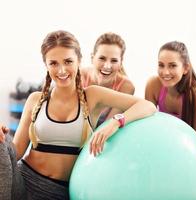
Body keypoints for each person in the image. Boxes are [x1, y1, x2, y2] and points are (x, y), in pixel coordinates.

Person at [0, 30, 156, 200]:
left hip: (58, 192)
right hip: (22, 180)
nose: (61, 70)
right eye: (53, 63)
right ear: (46, 65)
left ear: (79, 61)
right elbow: (16, 152)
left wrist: (115, 122)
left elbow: (147, 106)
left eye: (68, 61)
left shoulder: (93, 96)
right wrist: (4, 138)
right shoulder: (35, 100)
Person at [145, 41, 196, 137]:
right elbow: (148, 124)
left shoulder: (195, 95)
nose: (166, 72)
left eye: (172, 66)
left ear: (186, 68)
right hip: (169, 136)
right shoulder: (153, 85)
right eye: (161, 65)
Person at [81, 32, 134, 129]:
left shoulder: (126, 86)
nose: (107, 66)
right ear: (92, 58)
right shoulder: (80, 76)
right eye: (102, 58)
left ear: (121, 63)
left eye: (114, 60)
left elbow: (107, 125)